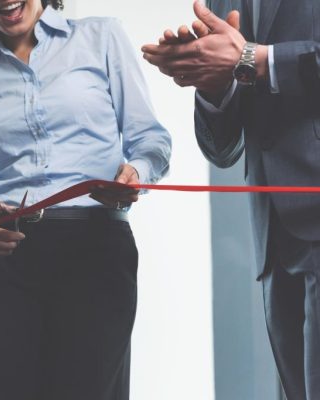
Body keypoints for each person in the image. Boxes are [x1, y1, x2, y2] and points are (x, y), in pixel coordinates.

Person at [0, 1, 171, 399]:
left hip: (96, 254)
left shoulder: (102, 37)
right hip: (4, 263)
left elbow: (151, 142)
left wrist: (135, 175)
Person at [142, 1, 320, 398]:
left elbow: (250, 61)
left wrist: (252, 59)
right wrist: (213, 85)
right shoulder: (220, 5)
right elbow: (222, 150)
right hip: (274, 236)